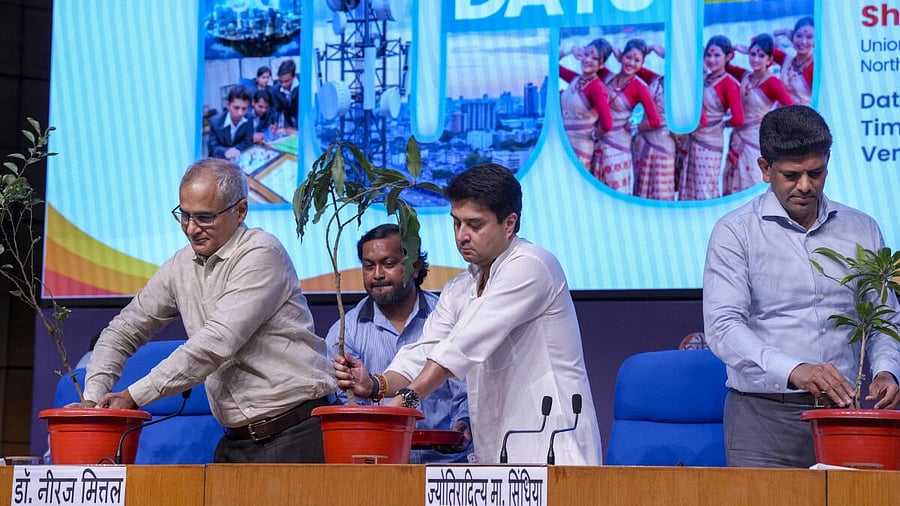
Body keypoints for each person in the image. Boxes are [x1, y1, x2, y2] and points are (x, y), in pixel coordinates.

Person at [334, 164, 603, 465]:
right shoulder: (460, 287)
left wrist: (406, 400)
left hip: (552, 445)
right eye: (456, 223)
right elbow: (424, 351)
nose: (462, 236)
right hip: (498, 450)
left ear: (509, 224)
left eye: (474, 226)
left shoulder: (532, 266)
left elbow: (461, 346)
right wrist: (377, 384)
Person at [79, 158, 337, 463]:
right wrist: (93, 401)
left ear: (240, 211)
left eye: (204, 217)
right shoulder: (180, 265)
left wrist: (133, 396)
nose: (190, 229)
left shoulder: (261, 252)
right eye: (184, 215)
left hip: (295, 433)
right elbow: (123, 330)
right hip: (236, 440)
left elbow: (215, 343)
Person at [703, 105, 900, 468]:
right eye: (792, 175)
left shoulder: (862, 228)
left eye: (816, 172)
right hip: (762, 419)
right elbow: (723, 327)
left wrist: (887, 369)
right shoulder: (735, 232)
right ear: (765, 169)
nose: (806, 186)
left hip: (844, 416)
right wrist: (796, 369)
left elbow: (883, 316)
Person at [325, 224, 472, 464]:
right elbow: (345, 403)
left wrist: (463, 424)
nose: (378, 274)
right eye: (369, 266)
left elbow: (465, 389)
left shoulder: (445, 317)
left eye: (389, 264)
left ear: (414, 267)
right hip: (378, 468)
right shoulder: (346, 332)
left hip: (447, 467)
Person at [724, 34, 793, 195]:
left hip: (755, 140)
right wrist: (735, 49)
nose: (756, 59)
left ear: (770, 58)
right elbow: (724, 65)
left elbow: (790, 109)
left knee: (751, 180)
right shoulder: (745, 76)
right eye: (752, 54)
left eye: (761, 55)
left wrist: (771, 121)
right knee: (731, 180)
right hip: (737, 138)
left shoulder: (772, 83)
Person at [680, 35, 744, 200]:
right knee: (688, 185)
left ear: (728, 57)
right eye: (708, 55)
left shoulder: (729, 83)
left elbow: (738, 118)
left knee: (705, 188)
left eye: (717, 55)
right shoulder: (703, 79)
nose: (711, 59)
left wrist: (720, 124)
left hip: (710, 142)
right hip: (692, 139)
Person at [596, 38, 661, 194]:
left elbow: (655, 121)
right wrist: (613, 49)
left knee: (616, 191)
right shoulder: (606, 76)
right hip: (598, 141)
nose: (631, 63)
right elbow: (596, 55)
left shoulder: (640, 87)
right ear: (621, 57)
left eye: (637, 60)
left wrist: (636, 127)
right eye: (628, 57)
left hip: (619, 145)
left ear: (642, 63)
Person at [559, 39, 613, 175]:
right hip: (564, 143)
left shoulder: (597, 87)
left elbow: (607, 124)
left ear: (602, 65)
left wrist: (593, 135)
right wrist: (570, 51)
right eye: (586, 54)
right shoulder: (575, 79)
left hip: (581, 147)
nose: (588, 60)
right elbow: (552, 65)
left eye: (594, 58)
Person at [633, 44, 677, 200]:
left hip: (663, 143)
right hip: (645, 143)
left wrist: (636, 128)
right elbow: (633, 67)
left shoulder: (685, 87)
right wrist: (645, 49)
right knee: (642, 192)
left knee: (661, 193)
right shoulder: (657, 80)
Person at [773, 16, 814, 106]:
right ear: (792, 37)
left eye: (809, 37)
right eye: (799, 36)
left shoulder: (815, 67)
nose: (803, 41)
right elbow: (758, 43)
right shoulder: (785, 59)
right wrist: (783, 31)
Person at [207, 87, 254, 160]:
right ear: (228, 105)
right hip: (220, 160)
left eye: (244, 109)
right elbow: (212, 148)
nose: (240, 113)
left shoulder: (249, 118)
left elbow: (248, 141)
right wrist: (226, 151)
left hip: (240, 158)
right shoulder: (215, 121)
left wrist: (235, 150)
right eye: (236, 108)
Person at [271, 59, 299, 129]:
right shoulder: (276, 89)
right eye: (281, 81)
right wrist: (275, 122)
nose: (283, 85)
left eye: (287, 81)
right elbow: (276, 108)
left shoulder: (303, 86)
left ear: (294, 76)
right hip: (288, 120)